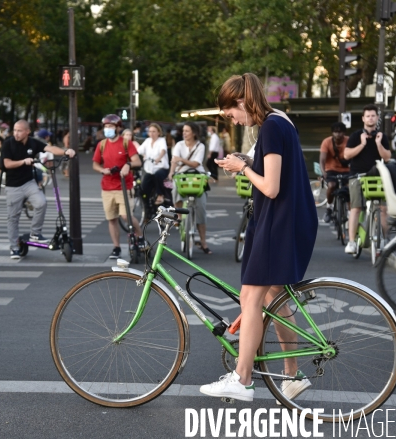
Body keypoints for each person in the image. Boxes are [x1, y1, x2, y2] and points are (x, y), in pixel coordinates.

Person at [200, 72, 317, 402]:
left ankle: (242, 377)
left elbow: (270, 186)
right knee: (273, 298)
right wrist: (247, 160)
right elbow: (275, 167)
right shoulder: (280, 120)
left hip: (278, 223)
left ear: (240, 102)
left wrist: (243, 169)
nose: (232, 120)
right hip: (289, 220)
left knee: (249, 298)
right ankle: (292, 376)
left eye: (230, 113)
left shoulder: (270, 127)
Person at [1, 120, 75, 259]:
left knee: (41, 203)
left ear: (27, 132)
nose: (16, 133)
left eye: (19, 130)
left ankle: (35, 233)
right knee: (13, 217)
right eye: (15, 130)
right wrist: (24, 161)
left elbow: (50, 149)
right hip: (13, 186)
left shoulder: (33, 143)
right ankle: (14, 248)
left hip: (29, 182)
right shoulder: (8, 144)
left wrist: (66, 151)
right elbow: (7, 164)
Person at [92, 114, 144, 259]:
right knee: (112, 218)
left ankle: (139, 236)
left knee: (125, 216)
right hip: (107, 186)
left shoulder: (126, 143)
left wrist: (128, 165)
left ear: (118, 128)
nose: (108, 129)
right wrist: (102, 170)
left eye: (111, 126)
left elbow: (137, 162)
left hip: (123, 186)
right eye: (106, 127)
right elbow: (95, 163)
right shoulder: (101, 145)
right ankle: (116, 247)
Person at [343, 104, 391, 254]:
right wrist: (363, 143)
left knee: (383, 209)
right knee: (356, 208)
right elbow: (347, 155)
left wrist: (378, 143)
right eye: (368, 116)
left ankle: (383, 240)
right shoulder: (355, 135)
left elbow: (387, 157)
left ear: (377, 118)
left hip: (377, 177)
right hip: (357, 175)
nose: (370, 118)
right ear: (363, 118)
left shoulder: (382, 136)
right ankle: (351, 242)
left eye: (373, 115)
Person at [169, 121, 212, 254]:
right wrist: (171, 173)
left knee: (201, 210)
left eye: (187, 131)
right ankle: (178, 216)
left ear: (194, 133)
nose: (184, 133)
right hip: (181, 175)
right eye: (183, 131)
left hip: (197, 176)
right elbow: (174, 162)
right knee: (175, 189)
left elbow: (195, 163)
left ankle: (203, 242)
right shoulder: (179, 145)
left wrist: (181, 160)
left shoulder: (200, 146)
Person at [319, 122, 350, 223]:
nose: (338, 134)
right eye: (335, 132)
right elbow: (322, 160)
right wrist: (323, 172)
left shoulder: (349, 141)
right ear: (332, 133)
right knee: (332, 185)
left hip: (346, 170)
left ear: (344, 133)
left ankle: (350, 212)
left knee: (350, 187)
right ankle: (329, 208)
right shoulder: (327, 142)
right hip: (331, 169)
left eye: (340, 132)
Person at [136, 124, 169, 205]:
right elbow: (139, 150)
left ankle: (160, 195)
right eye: (150, 131)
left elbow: (163, 150)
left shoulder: (161, 140)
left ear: (158, 132)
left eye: (154, 131)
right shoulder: (147, 141)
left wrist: (159, 158)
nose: (152, 133)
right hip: (150, 169)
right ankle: (147, 208)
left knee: (158, 175)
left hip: (161, 167)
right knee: (144, 188)